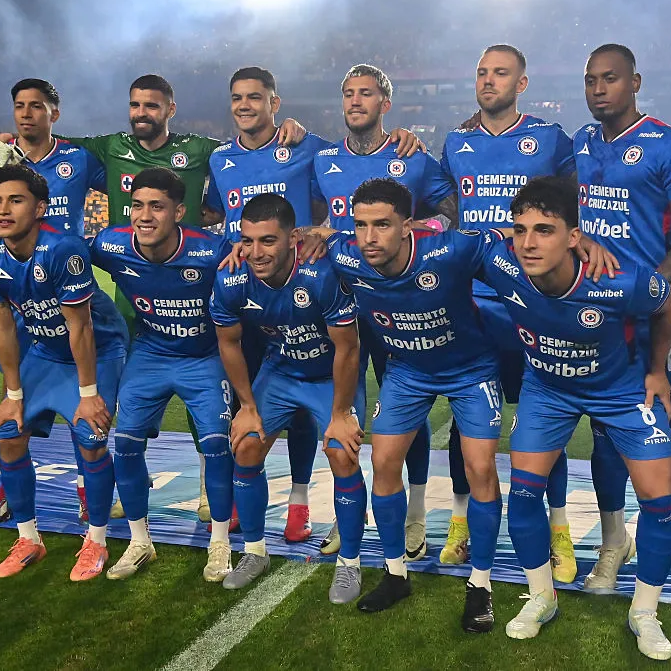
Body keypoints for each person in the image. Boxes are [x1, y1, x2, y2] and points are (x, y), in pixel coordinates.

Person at [0, 74, 308, 523]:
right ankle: (113, 484)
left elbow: (246, 148)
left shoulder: (204, 150)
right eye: (135, 105)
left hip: (194, 290)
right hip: (126, 294)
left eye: (151, 106)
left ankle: (211, 483)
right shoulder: (106, 149)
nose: (141, 113)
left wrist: (293, 129)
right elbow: (44, 135)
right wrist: (4, 139)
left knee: (205, 395)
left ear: (170, 109)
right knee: (117, 403)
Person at [204, 66, 424, 547]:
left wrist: (400, 138)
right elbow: (212, 216)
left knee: (365, 402)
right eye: (237, 97)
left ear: (275, 102)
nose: (245, 105)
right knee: (255, 404)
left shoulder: (312, 149)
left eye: (255, 97)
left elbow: (358, 149)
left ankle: (309, 505)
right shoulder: (219, 159)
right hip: (252, 293)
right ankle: (245, 503)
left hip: (322, 287)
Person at [479, 176, 671, 660]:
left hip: (620, 391)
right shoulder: (500, 261)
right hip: (548, 390)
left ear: (574, 237)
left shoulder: (619, 279)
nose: (528, 242)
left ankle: (644, 612)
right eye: (520, 229)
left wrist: (658, 371)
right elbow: (444, 241)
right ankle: (542, 597)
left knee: (660, 504)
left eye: (545, 230)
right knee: (523, 493)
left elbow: (667, 302)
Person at [574, 43, 671, 621]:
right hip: (602, 320)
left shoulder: (670, 144)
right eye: (590, 80)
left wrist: (650, 291)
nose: (598, 89)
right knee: (609, 432)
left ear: (634, 82)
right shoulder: (581, 145)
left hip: (665, 312)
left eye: (609, 79)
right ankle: (615, 542)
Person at [308, 178, 503, 632]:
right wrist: (305, 236)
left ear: (407, 225)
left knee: (480, 468)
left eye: (381, 225)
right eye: (360, 225)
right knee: (384, 458)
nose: (369, 237)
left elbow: (503, 251)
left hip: (471, 368)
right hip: (408, 370)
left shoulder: (449, 250)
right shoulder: (345, 254)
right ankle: (396, 573)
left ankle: (481, 587)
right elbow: (298, 248)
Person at [439, 44, 576, 576]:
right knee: (463, 419)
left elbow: (576, 202)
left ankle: (559, 531)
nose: (488, 80)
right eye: (481, 72)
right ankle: (459, 522)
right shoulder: (455, 141)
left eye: (500, 73)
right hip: (473, 306)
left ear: (522, 83)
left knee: (544, 416)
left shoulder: (550, 138)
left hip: (535, 302)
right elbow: (442, 206)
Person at [312, 64, 456, 560]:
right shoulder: (320, 157)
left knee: (405, 413)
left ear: (385, 103)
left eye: (366, 94)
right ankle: (343, 513)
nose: (356, 102)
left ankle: (415, 513)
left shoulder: (411, 157)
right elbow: (302, 205)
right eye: (348, 93)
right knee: (342, 411)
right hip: (338, 307)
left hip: (397, 305)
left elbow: (452, 210)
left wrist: (423, 226)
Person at [0, 164, 128, 581]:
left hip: (95, 350)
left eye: (15, 200)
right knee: (9, 434)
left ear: (40, 208)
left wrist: (90, 394)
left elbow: (82, 327)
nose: (3, 210)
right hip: (43, 350)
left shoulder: (63, 249)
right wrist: (12, 395)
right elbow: (2, 326)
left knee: (90, 438)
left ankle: (95, 541)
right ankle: (28, 540)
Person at [0, 78, 107, 526]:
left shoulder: (79, 159)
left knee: (83, 402)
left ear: (53, 114)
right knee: (12, 390)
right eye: (19, 107)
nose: (26, 114)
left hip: (67, 292)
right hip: (17, 292)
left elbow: (121, 184)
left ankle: (88, 491)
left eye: (36, 107)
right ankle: (10, 491)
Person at [210, 193, 367, 603]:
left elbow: (348, 349)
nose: (256, 252)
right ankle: (255, 552)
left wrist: (340, 413)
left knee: (340, 451)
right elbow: (228, 343)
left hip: (330, 375)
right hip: (281, 371)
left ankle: (350, 563)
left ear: (293, 238)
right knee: (244, 445)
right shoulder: (231, 277)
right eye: (248, 240)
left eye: (268, 241)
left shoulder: (321, 274)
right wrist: (246, 408)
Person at [88, 167, 235, 582]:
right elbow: (62, 254)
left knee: (216, 445)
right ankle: (140, 542)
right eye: (137, 206)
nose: (144, 216)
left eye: (157, 206)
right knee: (127, 444)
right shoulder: (111, 244)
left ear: (179, 212)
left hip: (203, 356)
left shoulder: (212, 249)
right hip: (150, 353)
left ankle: (220, 544)